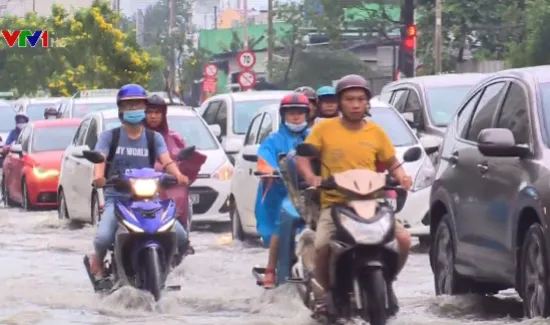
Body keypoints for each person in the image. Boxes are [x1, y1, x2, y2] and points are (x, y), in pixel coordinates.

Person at [295, 74, 413, 315]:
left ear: (367, 102)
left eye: (361, 99)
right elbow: (303, 157)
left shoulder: (376, 132)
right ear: (340, 102)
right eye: (350, 99)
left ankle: (387, 282)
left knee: (403, 240)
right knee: (322, 245)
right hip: (335, 203)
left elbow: (392, 162)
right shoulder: (324, 129)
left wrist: (402, 176)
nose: (356, 104)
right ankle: (329, 292)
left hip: (372, 202)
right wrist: (311, 177)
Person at [87, 84, 190, 278]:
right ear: (121, 109)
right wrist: (98, 177)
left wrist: (178, 175)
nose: (134, 109)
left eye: (138, 105)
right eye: (129, 105)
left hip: (149, 199)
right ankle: (98, 261)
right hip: (118, 199)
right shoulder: (110, 136)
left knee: (181, 235)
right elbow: (100, 159)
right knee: (102, 239)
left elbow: (166, 160)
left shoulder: (154, 138)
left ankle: (169, 265)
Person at [255, 92, 311, 289]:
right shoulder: (273, 140)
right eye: (291, 113)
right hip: (284, 194)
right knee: (281, 224)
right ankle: (271, 269)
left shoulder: (315, 137)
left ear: (307, 115)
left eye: (300, 113)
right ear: (283, 116)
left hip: (312, 193)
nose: (296, 117)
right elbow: (263, 159)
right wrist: (267, 169)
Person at [144, 94, 207, 238]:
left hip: (169, 188)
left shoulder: (174, 138)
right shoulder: (134, 136)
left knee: (180, 232)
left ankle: (182, 240)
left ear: (163, 114)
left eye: (157, 112)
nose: (153, 116)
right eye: (149, 112)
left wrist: (179, 173)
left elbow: (179, 162)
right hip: (140, 188)